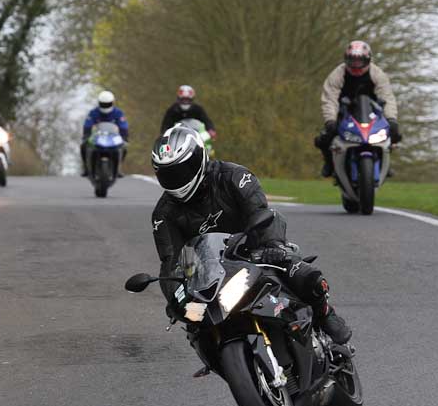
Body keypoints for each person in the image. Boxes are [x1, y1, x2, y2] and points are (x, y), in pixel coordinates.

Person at [150, 125, 352, 344]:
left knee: (306, 277)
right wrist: (174, 298)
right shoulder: (164, 214)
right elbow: (171, 261)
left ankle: (325, 313)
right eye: (168, 174)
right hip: (209, 273)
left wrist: (273, 245)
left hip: (257, 250)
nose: (177, 179)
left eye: (181, 170)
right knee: (196, 326)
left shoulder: (234, 176)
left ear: (200, 158)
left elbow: (261, 211)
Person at [315, 40, 401, 178]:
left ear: (367, 60)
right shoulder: (337, 74)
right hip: (345, 111)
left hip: (372, 113)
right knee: (324, 137)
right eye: (352, 61)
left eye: (359, 61)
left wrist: (391, 119)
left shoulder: (378, 74)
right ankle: (329, 163)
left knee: (393, 133)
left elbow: (387, 97)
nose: (356, 65)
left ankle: (385, 162)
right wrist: (330, 120)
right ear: (346, 59)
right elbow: (329, 99)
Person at [81, 90, 129, 177]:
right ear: (99, 103)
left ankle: (118, 168)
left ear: (112, 102)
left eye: (107, 104)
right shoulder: (94, 112)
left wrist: (124, 137)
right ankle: (87, 168)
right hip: (98, 137)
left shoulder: (118, 113)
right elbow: (87, 124)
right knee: (83, 146)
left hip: (113, 138)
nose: (105, 106)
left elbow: (123, 126)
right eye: (103, 104)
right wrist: (86, 136)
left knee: (124, 147)